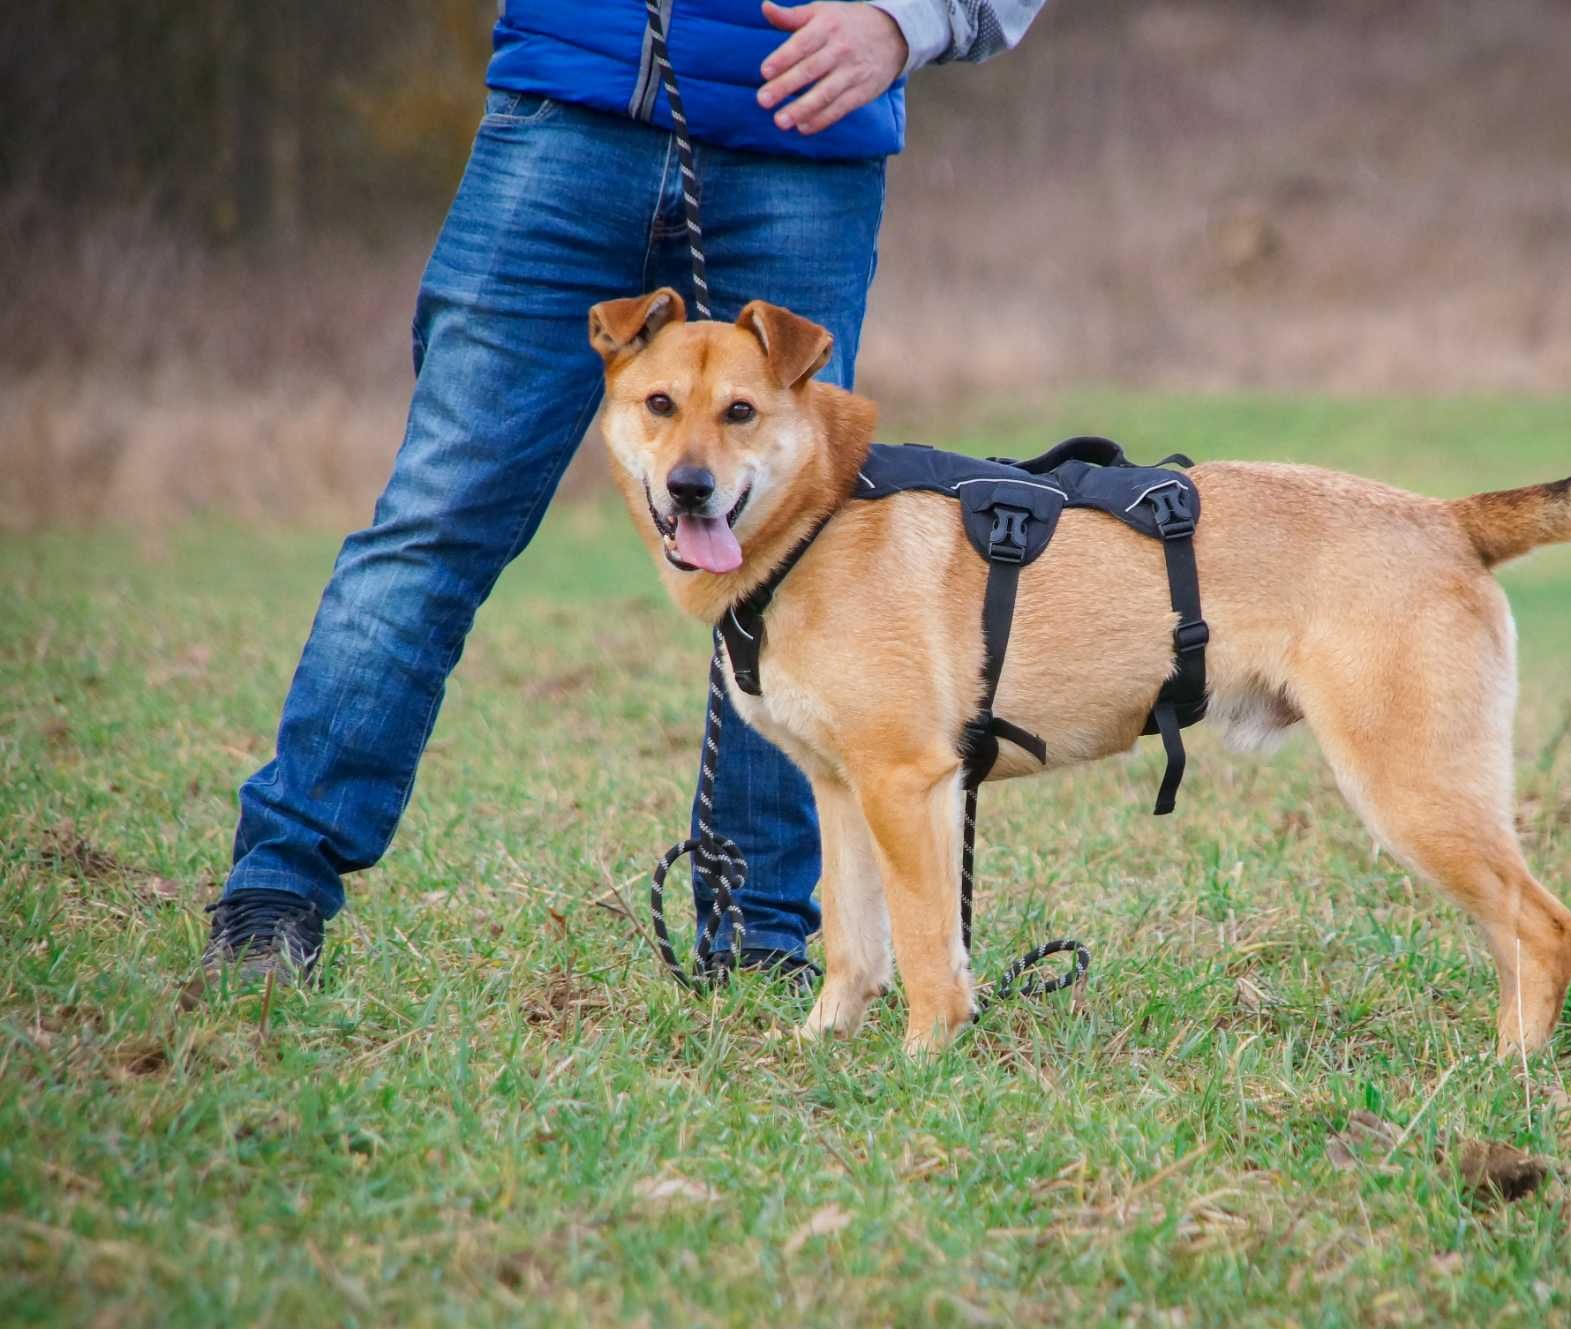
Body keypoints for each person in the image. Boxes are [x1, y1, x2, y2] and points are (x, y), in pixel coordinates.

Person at [202, 0, 1046, 984]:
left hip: (804, 143)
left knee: (797, 564)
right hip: (567, 110)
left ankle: (758, 940)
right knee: (436, 521)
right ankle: (276, 891)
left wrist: (913, 20)